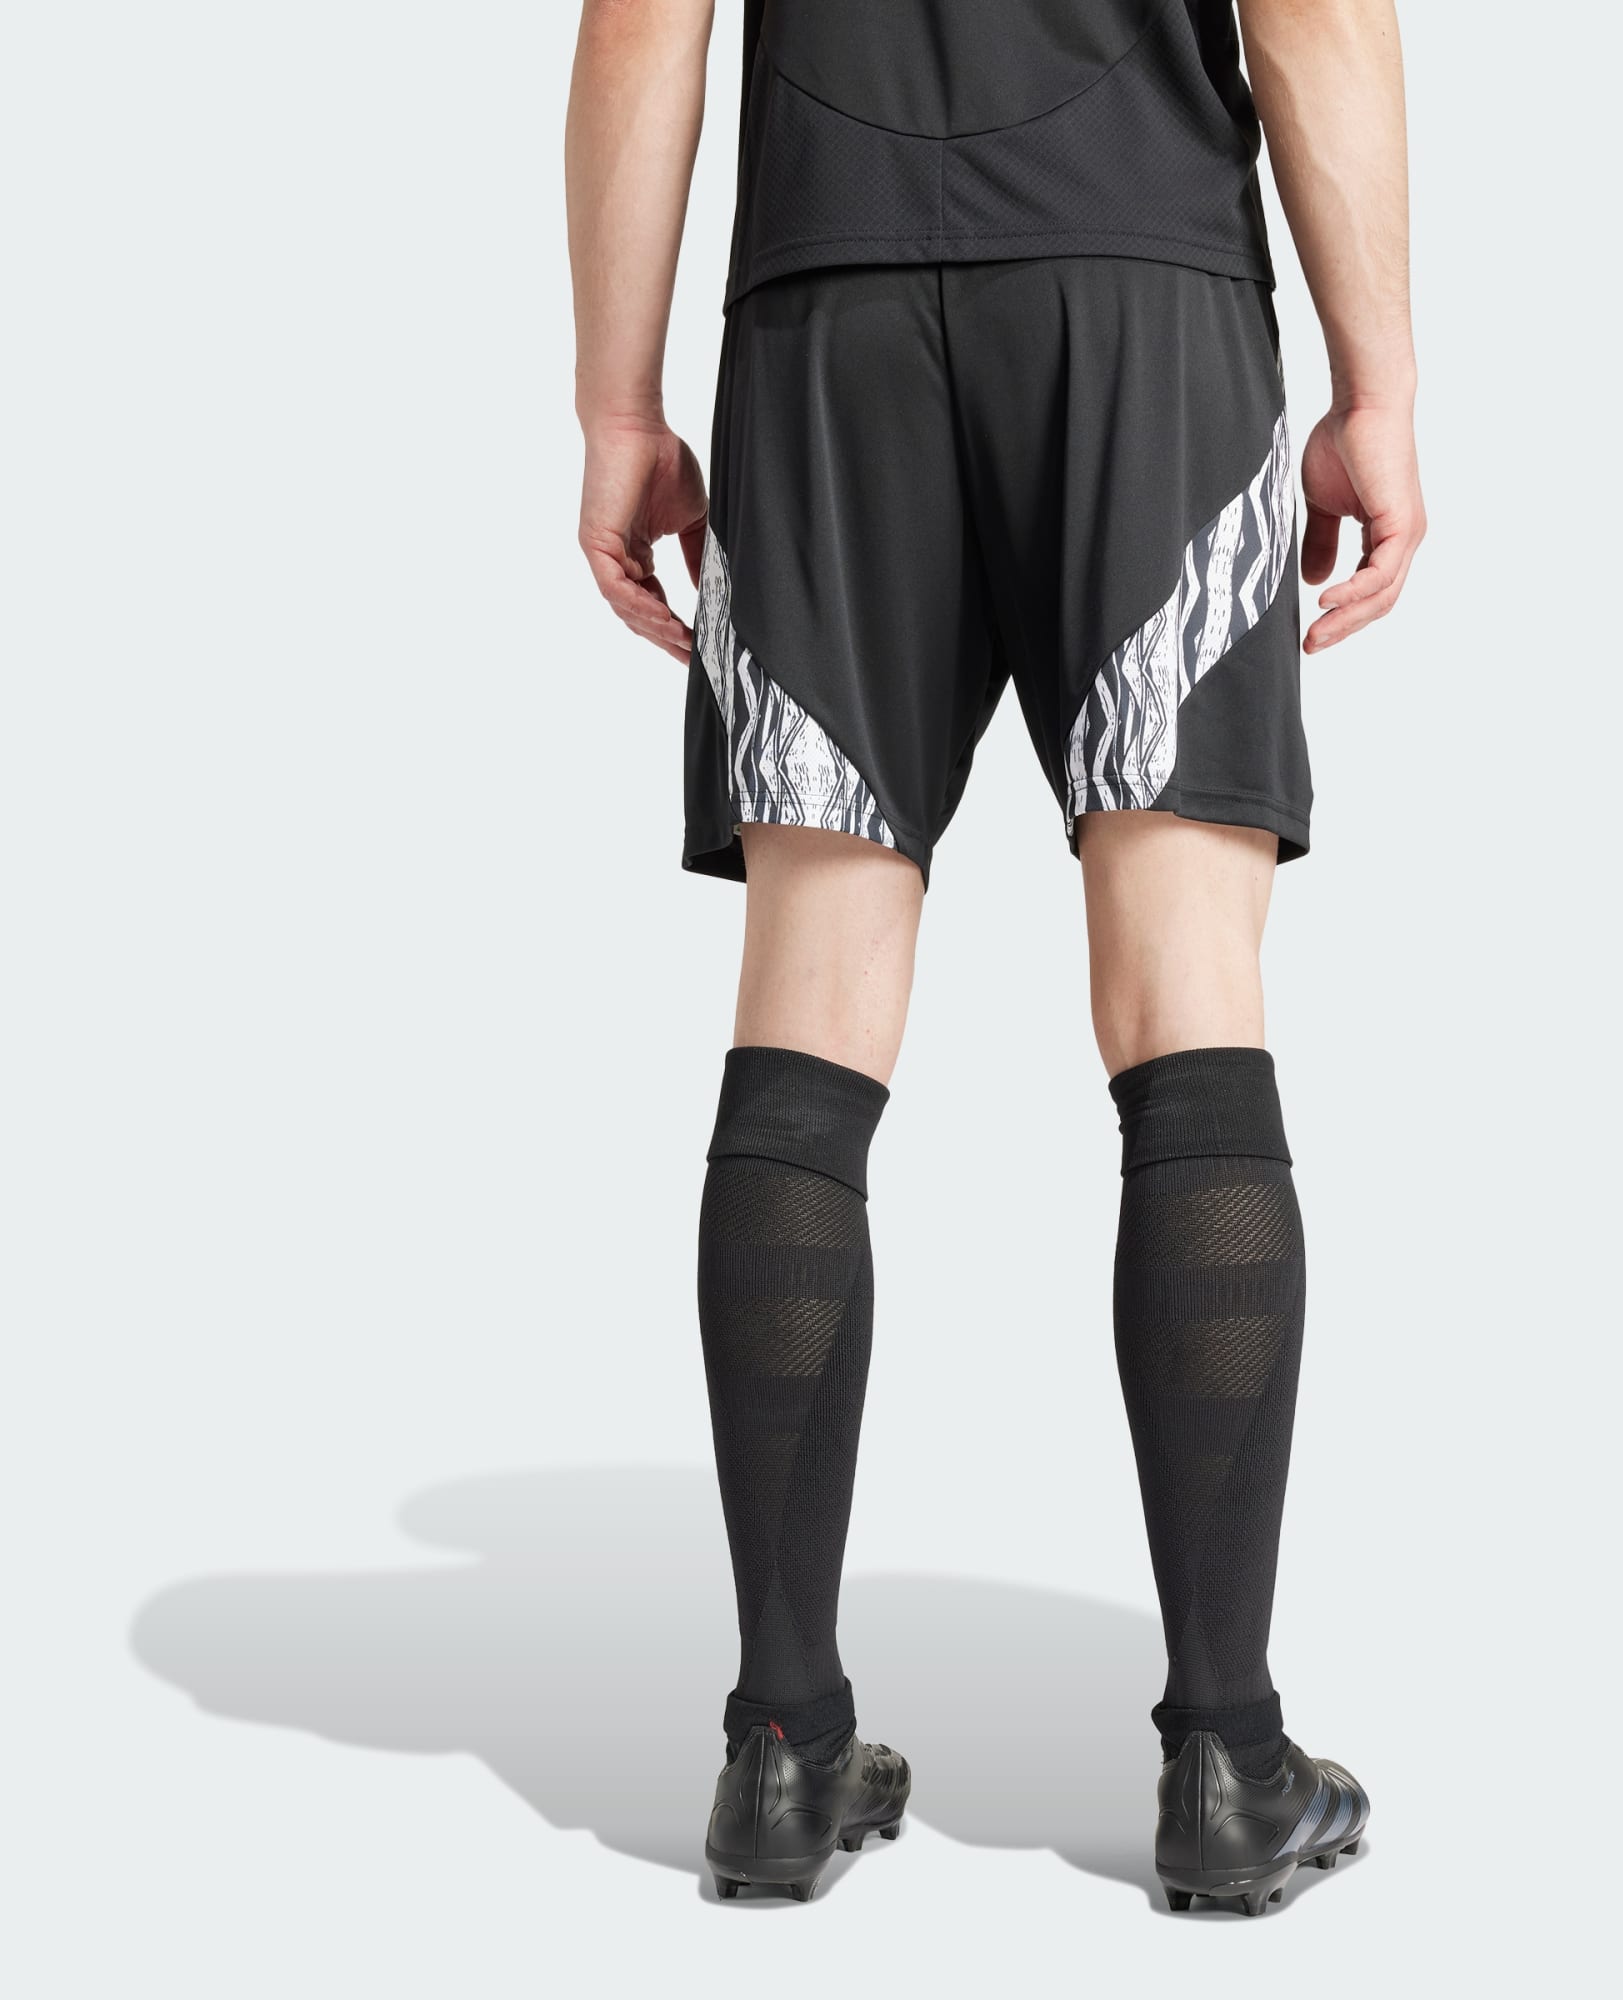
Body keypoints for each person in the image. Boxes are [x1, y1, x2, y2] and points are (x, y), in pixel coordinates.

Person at [565, 0, 1423, 1914]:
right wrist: (1377, 382)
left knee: (812, 995)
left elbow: (639, 24)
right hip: (1144, 295)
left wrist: (620, 405)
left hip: (826, 310)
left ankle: (780, 1745)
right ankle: (1229, 1760)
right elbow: (1312, 13)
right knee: (1185, 990)